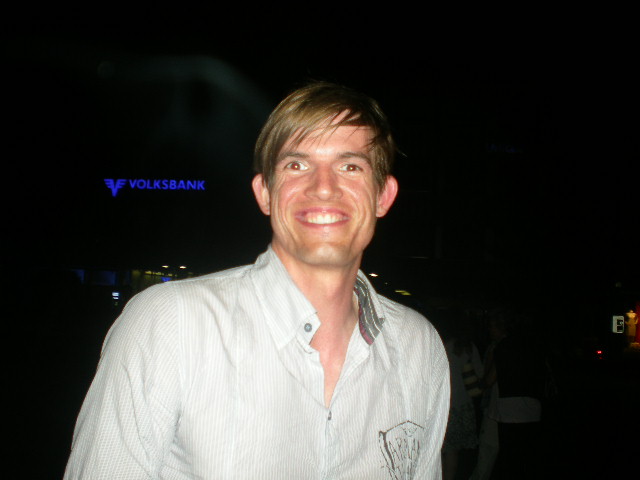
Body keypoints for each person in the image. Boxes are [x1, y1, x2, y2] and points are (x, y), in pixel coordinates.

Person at [63, 81, 450, 479]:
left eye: (350, 166)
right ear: (264, 192)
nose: (323, 187)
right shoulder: (169, 325)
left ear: (383, 195)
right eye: (296, 165)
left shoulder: (419, 347)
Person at [441, 310, 484, 480]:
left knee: (440, 451)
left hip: (444, 406)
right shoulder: (469, 348)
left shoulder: (443, 346)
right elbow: (480, 374)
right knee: (453, 452)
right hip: (462, 406)